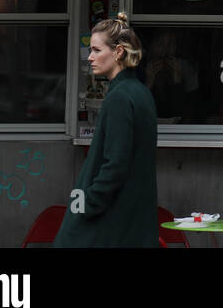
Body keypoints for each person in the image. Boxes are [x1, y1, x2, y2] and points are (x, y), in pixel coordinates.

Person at [54, 15, 159, 247]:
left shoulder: (120, 97)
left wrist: (87, 205)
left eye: (96, 50)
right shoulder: (141, 93)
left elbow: (115, 164)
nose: (90, 57)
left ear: (118, 52)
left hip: (111, 223)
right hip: (134, 221)